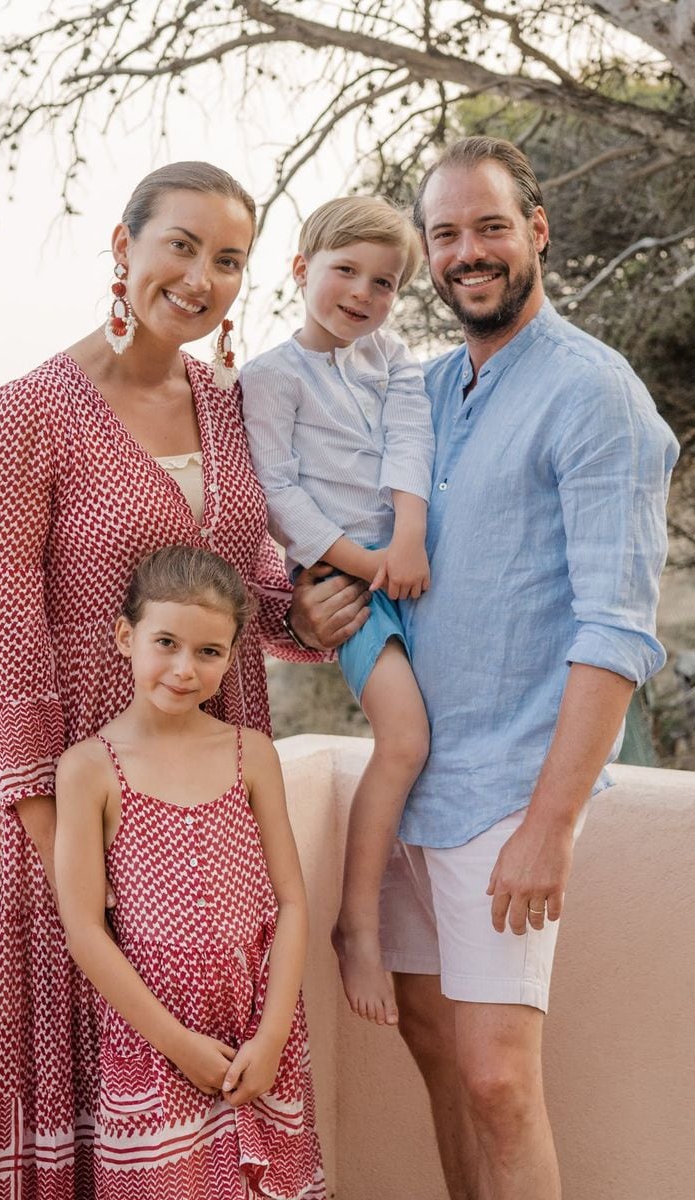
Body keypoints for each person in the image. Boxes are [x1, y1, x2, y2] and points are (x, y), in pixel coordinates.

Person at [296, 136, 679, 1200]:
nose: (470, 252)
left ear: (536, 231)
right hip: (411, 786)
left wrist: (549, 828)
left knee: (498, 1078)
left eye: (491, 226)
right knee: (428, 1042)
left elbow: (616, 630)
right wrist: (315, 601)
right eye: (447, 234)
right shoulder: (421, 390)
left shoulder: (596, 396)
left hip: (509, 796)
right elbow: (356, 542)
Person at [0, 161, 365, 1199]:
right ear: (124, 247)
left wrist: (302, 618)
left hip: (213, 816)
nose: (201, 277)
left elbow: (242, 589)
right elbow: (1, 637)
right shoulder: (24, 418)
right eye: (180, 245)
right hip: (68, 820)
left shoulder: (231, 408)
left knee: (207, 1133)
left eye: (228, 259)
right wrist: (65, 849)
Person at [55, 545, 324, 1199]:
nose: (183, 668)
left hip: (261, 1040)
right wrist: (179, 1044)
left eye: (208, 652)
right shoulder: (89, 768)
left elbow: (290, 901)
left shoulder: (249, 754)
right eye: (166, 642)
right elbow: (86, 930)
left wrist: (272, 1035)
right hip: (153, 1047)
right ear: (126, 637)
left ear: (232, 656)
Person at [241, 197, 435, 1026]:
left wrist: (413, 540)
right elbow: (279, 494)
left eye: (383, 282)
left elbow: (411, 440)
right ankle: (358, 923)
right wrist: (371, 564)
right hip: (350, 586)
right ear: (300, 270)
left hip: (417, 561)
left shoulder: (390, 355)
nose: (362, 292)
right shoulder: (269, 377)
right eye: (345, 271)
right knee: (405, 738)